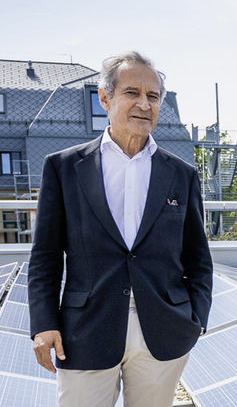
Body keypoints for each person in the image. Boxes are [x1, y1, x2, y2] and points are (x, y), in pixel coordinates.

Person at [28, 51, 213, 407]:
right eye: (132, 93)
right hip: (84, 331)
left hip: (163, 331)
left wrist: (196, 320)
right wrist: (43, 323)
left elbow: (198, 259)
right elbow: (45, 259)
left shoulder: (182, 175)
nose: (144, 104)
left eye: (153, 96)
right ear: (105, 98)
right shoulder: (64, 168)